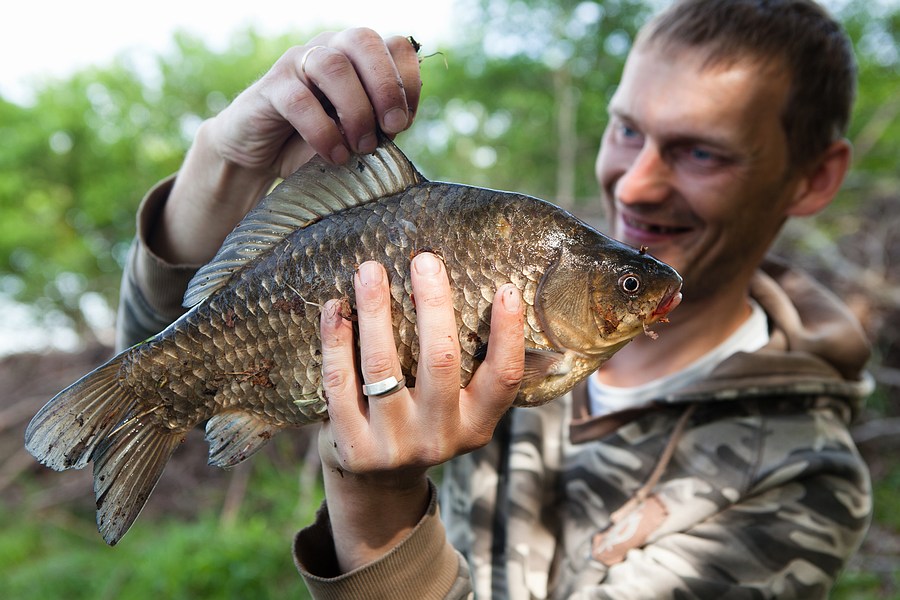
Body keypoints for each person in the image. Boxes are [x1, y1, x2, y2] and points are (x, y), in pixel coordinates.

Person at [116, 0, 873, 597]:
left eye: (701, 151)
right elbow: (164, 351)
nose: (638, 184)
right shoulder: (521, 259)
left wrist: (378, 515)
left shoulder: (804, 478)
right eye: (626, 130)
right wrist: (222, 161)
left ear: (814, 178)